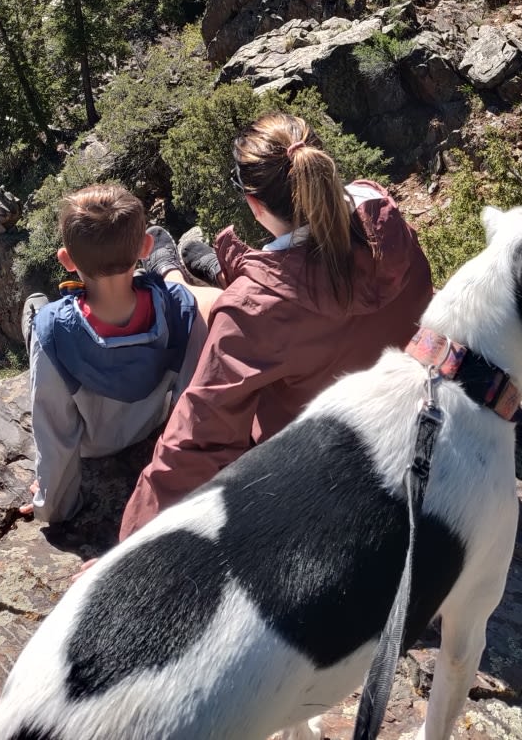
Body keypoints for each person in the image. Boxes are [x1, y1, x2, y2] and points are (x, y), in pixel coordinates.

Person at [118, 110, 432, 540]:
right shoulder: (385, 220)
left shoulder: (253, 312)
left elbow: (198, 441)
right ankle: (216, 268)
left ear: (255, 203)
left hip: (323, 457)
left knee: (219, 310)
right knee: (241, 305)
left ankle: (173, 276)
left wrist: (133, 546)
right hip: (405, 422)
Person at [19, 181, 209, 525]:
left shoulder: (54, 333)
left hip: (92, 446)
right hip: (150, 424)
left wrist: (53, 506)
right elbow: (190, 401)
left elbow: (55, 436)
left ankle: (35, 317)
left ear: (66, 260)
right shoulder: (181, 309)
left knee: (38, 313)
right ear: (146, 247)